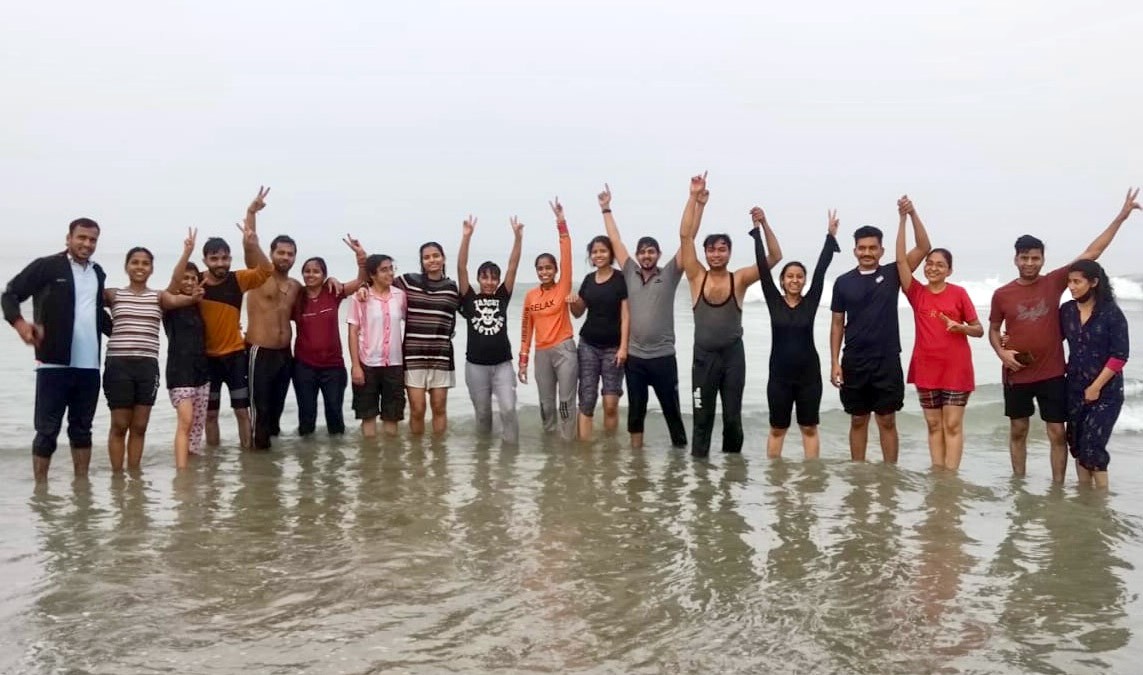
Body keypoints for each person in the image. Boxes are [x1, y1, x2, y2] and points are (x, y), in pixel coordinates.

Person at [988, 188, 1139, 481]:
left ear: (1043, 259)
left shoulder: (1055, 281)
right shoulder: (1001, 294)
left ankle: (1057, 487)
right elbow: (994, 330)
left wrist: (1121, 217)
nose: (1030, 263)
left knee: (1057, 432)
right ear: (1015, 259)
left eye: (1035, 258)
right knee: (1018, 429)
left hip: (1053, 374)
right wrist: (1001, 351)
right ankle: (1019, 481)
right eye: (1024, 258)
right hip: (1017, 373)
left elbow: (1092, 253)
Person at [2, 218, 113, 481]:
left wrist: (129, 329)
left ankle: (81, 487)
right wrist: (20, 324)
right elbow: (10, 294)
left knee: (82, 429)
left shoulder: (97, 272)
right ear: (69, 238)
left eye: (92, 239)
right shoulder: (47, 266)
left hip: (89, 366)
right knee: (47, 430)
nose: (87, 244)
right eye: (81, 237)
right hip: (53, 363)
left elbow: (96, 312)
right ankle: (40, 488)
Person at [679, 173, 780, 458]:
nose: (716, 255)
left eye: (722, 250)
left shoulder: (741, 279)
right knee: (702, 420)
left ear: (730, 252)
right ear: (706, 253)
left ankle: (732, 482)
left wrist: (764, 224)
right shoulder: (696, 276)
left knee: (733, 420)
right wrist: (694, 198)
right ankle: (701, 483)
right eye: (711, 250)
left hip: (733, 357)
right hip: (703, 359)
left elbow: (774, 258)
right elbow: (686, 236)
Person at [829, 197, 930, 463]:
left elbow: (923, 246)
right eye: (862, 248)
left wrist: (909, 215)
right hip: (854, 360)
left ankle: (890, 475)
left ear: (881, 251)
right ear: (854, 251)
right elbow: (837, 323)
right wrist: (834, 362)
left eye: (873, 248)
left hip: (886, 359)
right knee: (858, 420)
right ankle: (858, 475)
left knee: (887, 420)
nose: (867, 252)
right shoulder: (842, 283)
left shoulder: (894, 273)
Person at [598, 183, 688, 449]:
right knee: (636, 413)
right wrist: (606, 209)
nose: (646, 255)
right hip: (635, 359)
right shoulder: (629, 271)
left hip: (663, 358)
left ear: (658, 254)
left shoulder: (670, 274)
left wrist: (695, 201)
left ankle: (679, 460)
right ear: (637, 255)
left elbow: (688, 238)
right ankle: (637, 465)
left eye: (651, 251)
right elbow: (616, 240)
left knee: (672, 411)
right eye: (642, 251)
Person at [895, 197, 982, 470]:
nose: (932, 267)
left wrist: (961, 328)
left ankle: (951, 476)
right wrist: (904, 218)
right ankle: (938, 472)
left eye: (939, 265)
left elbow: (979, 330)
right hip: (926, 367)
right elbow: (900, 261)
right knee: (933, 424)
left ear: (949, 270)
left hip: (956, 368)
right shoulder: (917, 293)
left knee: (952, 424)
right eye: (929, 263)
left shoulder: (959, 294)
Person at [102, 240, 203, 472]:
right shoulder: (114, 295)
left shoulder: (159, 298)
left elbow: (180, 295)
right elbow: (86, 298)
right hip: (118, 366)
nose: (140, 267)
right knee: (119, 425)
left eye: (145, 263)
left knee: (139, 426)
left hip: (147, 367)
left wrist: (186, 254)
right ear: (126, 266)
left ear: (152, 269)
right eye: (135, 262)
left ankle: (134, 476)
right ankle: (117, 477)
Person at [753, 205, 840, 459]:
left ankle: (810, 482)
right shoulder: (773, 300)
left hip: (808, 378)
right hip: (779, 378)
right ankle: (775, 483)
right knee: (778, 428)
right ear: (782, 281)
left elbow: (821, 270)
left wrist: (830, 236)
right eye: (789, 276)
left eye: (799, 276)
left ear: (804, 280)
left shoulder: (811, 302)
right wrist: (759, 230)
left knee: (809, 427)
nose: (794, 280)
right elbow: (761, 266)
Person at [199, 187, 274, 449]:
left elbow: (265, 271)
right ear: (205, 259)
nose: (221, 263)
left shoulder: (237, 279)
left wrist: (253, 243)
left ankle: (247, 457)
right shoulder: (195, 283)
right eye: (215, 258)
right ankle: (213, 465)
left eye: (225, 257)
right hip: (207, 359)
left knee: (242, 411)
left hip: (234, 356)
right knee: (210, 414)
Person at [1061, 260, 1130, 489]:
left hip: (1106, 392)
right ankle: (1084, 500)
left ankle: (1101, 501)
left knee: (1093, 447)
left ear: (1093, 282)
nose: (1071, 286)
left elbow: (1120, 355)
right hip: (1074, 388)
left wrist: (1096, 387)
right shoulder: (1067, 311)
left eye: (1077, 282)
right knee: (1078, 446)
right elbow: (1048, 339)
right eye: (1069, 281)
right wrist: (1010, 341)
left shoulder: (1111, 314)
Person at [291, 236, 368, 438]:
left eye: (316, 271)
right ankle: (307, 463)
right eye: (307, 271)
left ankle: (337, 463)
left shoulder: (333, 291)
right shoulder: (296, 298)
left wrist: (361, 256)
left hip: (333, 367)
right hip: (304, 367)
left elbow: (361, 281)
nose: (311, 275)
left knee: (334, 415)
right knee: (306, 418)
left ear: (324, 275)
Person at [457, 215, 524, 444]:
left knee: (508, 409)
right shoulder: (469, 299)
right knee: (483, 416)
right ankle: (483, 461)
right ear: (478, 279)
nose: (489, 282)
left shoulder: (503, 296)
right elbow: (461, 267)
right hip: (475, 366)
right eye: (485, 278)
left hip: (502, 364)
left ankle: (510, 457)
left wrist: (518, 238)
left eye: (493, 278)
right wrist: (466, 237)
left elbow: (513, 266)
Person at [519, 198, 578, 441]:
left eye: (548, 268)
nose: (544, 272)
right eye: (540, 268)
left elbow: (566, 253)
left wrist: (561, 222)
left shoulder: (563, 286)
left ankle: (567, 444)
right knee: (545, 403)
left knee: (565, 401)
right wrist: (523, 360)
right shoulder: (531, 296)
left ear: (555, 270)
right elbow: (526, 330)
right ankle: (549, 443)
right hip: (541, 353)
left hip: (564, 350)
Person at [395, 242, 461, 435]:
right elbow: (380, 281)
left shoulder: (451, 287)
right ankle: (417, 458)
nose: (432, 260)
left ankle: (440, 456)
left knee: (439, 407)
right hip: (413, 355)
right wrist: (364, 288)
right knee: (417, 409)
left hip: (441, 357)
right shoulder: (408, 281)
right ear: (422, 262)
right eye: (427, 257)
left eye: (436, 255)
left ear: (443, 258)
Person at [568, 234, 629, 441]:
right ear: (590, 256)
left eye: (603, 250)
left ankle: (609, 450)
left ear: (610, 253)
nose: (599, 255)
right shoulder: (588, 280)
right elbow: (578, 313)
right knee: (587, 400)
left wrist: (623, 347)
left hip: (613, 348)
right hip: (588, 345)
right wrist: (572, 301)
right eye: (595, 252)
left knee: (610, 403)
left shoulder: (621, 279)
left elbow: (626, 315)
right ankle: (585, 454)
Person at [163, 229, 210, 469]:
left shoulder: (198, 306)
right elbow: (172, 285)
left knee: (197, 426)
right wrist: (187, 252)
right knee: (186, 420)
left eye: (194, 278)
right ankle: (181, 476)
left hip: (201, 373)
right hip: (179, 373)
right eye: (186, 278)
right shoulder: (170, 303)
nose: (190, 282)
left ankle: (192, 471)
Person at [348, 254, 407, 437]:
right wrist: (356, 366)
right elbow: (352, 332)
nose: (390, 273)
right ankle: (370, 461)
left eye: (391, 268)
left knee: (392, 416)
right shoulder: (360, 298)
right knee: (368, 415)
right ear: (372, 275)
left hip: (394, 364)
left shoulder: (400, 296)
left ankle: (391, 461)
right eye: (384, 270)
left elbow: (410, 321)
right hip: (368, 364)